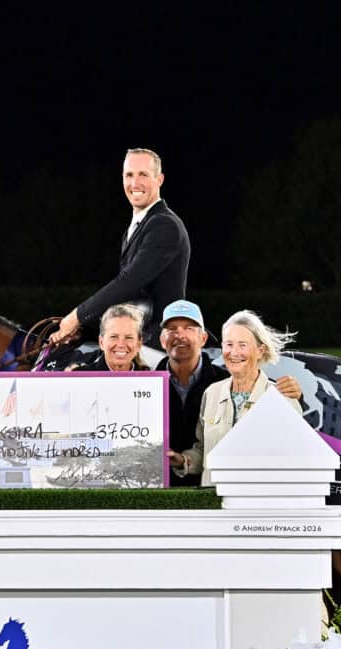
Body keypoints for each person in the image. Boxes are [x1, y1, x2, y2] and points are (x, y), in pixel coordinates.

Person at [49, 148, 190, 347]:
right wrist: (85, 329)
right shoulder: (139, 226)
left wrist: (77, 316)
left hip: (158, 340)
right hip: (138, 332)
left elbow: (129, 282)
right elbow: (129, 297)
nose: (135, 183)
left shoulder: (165, 225)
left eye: (143, 175)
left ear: (160, 179)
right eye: (129, 175)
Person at [174, 310, 302, 486]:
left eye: (243, 345)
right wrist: (183, 461)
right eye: (229, 344)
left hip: (259, 505)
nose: (234, 353)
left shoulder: (282, 397)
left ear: (260, 350)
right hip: (214, 503)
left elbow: (296, 459)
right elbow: (203, 451)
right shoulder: (212, 393)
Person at [70, 304, 150, 372]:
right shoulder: (79, 377)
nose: (121, 344)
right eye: (114, 337)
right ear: (101, 342)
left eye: (129, 337)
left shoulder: (152, 381)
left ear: (139, 344)